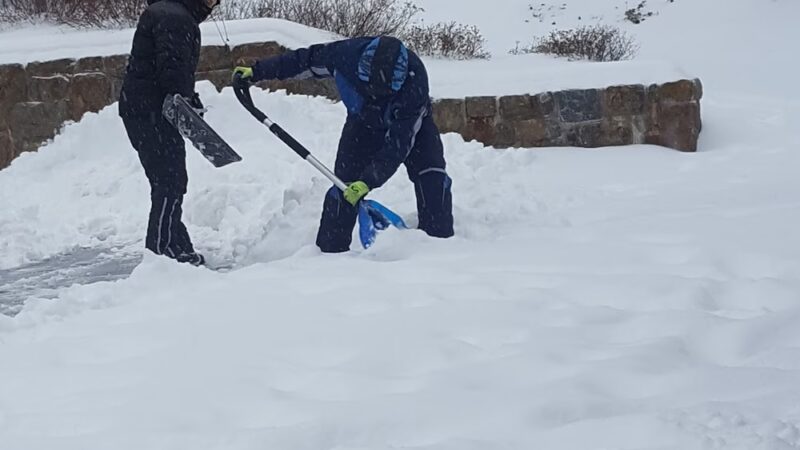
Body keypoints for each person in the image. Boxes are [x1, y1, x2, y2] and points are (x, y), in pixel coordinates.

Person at [233, 36, 454, 253]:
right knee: (344, 186)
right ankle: (330, 254)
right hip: (362, 125)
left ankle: (438, 248)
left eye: (384, 92)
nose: (376, 96)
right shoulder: (345, 55)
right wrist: (258, 71)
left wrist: (369, 181)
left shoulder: (415, 81)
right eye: (371, 89)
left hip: (409, 124)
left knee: (431, 174)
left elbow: (398, 144)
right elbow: (304, 60)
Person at [118, 0, 221, 266]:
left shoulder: (169, 11)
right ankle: (160, 255)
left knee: (169, 180)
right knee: (169, 182)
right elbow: (172, 69)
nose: (213, 4)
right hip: (152, 111)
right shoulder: (176, 18)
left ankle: (177, 246)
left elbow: (167, 66)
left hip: (144, 109)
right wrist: (186, 99)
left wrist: (188, 98)